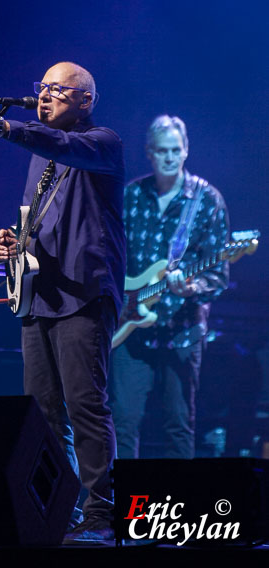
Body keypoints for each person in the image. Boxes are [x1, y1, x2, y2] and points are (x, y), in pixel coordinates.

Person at [0, 62, 126, 542]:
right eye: (41, 89)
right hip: (41, 295)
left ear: (84, 100)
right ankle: (62, 511)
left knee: (85, 404)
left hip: (84, 294)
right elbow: (40, 220)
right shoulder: (39, 159)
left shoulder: (102, 143)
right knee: (44, 409)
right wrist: (10, 244)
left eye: (56, 90)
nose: (44, 97)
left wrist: (1, 124)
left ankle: (103, 516)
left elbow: (60, 144)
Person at [109, 115, 229, 459]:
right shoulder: (131, 196)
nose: (170, 158)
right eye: (162, 151)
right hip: (130, 328)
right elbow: (110, 258)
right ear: (149, 152)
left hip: (183, 330)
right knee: (124, 422)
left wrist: (191, 289)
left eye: (176, 150)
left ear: (186, 150)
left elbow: (218, 275)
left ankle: (178, 506)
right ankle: (122, 506)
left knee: (179, 424)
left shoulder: (206, 200)